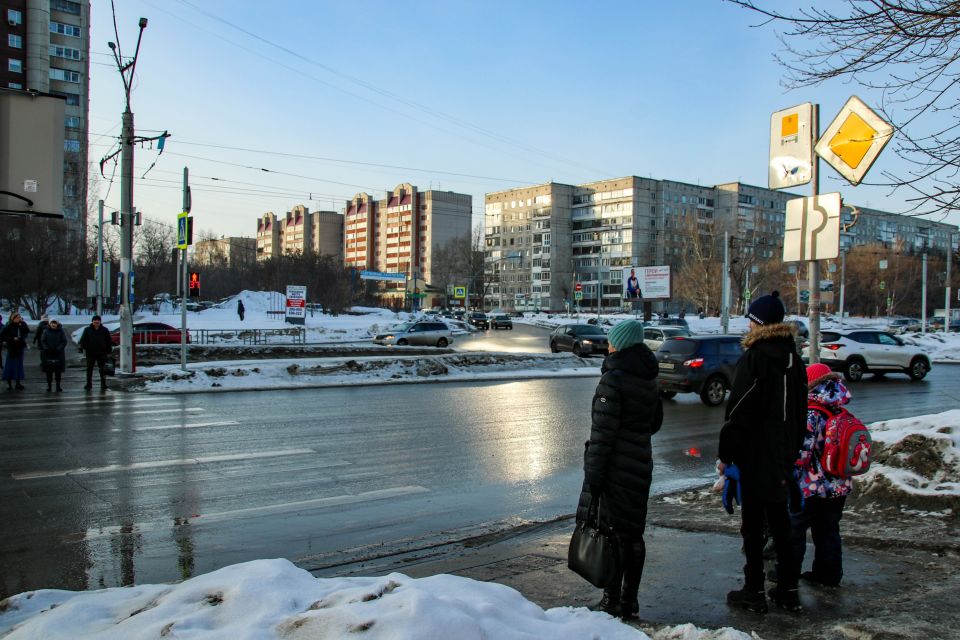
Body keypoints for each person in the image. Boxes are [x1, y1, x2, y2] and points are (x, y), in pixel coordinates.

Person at [718, 291, 807, 613]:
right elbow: (801, 411)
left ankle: (754, 588)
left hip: (756, 455)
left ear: (759, 324)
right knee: (781, 522)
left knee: (753, 526)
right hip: (782, 456)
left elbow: (739, 411)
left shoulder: (756, 358)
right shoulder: (793, 359)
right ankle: (788, 587)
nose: (747, 325)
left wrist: (726, 454)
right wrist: (792, 449)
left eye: (751, 320)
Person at [576, 319, 663, 619]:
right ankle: (630, 601)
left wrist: (593, 476)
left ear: (621, 344)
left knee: (611, 534)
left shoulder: (613, 380)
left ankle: (611, 600)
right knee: (633, 534)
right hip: (640, 465)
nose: (609, 345)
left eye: (612, 341)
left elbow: (602, 435)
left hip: (615, 468)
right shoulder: (649, 376)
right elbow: (655, 423)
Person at [790, 362, 855, 587]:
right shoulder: (839, 408)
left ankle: (787, 576)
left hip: (811, 486)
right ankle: (828, 574)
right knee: (828, 530)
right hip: (838, 484)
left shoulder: (811, 413)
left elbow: (802, 453)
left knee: (794, 531)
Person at [78, 315, 113, 391]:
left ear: (100, 322)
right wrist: (83, 348)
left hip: (102, 353)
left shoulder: (105, 330)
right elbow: (83, 340)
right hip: (90, 353)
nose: (96, 322)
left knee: (103, 370)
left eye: (98, 320)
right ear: (92, 321)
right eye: (95, 320)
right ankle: (89, 384)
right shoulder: (87, 330)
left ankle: (103, 384)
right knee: (89, 369)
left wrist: (109, 351)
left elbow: (108, 341)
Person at [1, 313, 31, 390]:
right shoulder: (9, 326)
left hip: (19, 347)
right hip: (12, 348)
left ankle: (18, 383)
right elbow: (2, 336)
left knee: (18, 365)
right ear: (13, 318)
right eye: (17, 318)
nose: (18, 319)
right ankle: (9, 383)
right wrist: (12, 338)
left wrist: (23, 323)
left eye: (19, 317)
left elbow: (27, 331)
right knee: (10, 366)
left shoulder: (21, 325)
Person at [40, 319, 68, 392]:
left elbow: (64, 341)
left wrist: (59, 348)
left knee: (58, 372)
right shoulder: (46, 331)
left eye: (55, 323)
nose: (53, 324)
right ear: (49, 324)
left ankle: (58, 386)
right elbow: (43, 341)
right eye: (52, 323)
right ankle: (49, 386)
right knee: (49, 372)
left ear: (57, 324)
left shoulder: (61, 331)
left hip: (58, 353)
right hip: (48, 353)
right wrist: (47, 348)